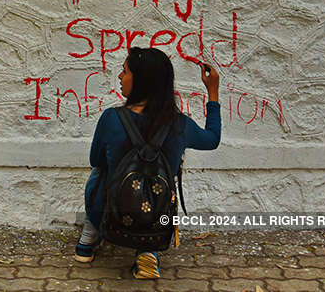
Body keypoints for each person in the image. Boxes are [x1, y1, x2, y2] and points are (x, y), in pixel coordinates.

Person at [76, 47, 221, 279]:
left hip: (112, 215)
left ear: (141, 79)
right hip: (155, 221)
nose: (120, 77)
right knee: (153, 188)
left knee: (99, 172)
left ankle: (88, 239)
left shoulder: (111, 118)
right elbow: (213, 139)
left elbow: (96, 160)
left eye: (125, 71)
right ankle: (147, 250)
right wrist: (212, 91)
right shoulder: (181, 125)